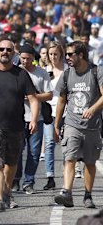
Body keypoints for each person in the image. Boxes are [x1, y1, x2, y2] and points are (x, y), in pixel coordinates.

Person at [0, 39, 40, 212]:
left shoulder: (21, 74)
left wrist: (33, 120)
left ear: (14, 53)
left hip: (16, 126)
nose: (5, 52)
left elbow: (33, 100)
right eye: (1, 49)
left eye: (8, 50)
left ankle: (6, 191)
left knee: (11, 163)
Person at [54, 41, 103, 208]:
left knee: (90, 162)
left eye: (69, 54)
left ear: (80, 55)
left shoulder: (96, 71)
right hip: (72, 124)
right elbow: (61, 100)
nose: (66, 57)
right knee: (70, 158)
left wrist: (93, 108)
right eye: (66, 54)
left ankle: (87, 195)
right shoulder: (67, 75)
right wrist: (56, 123)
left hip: (92, 126)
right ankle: (67, 192)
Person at [13, 44, 53, 194]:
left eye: (28, 59)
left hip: (38, 117)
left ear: (33, 59)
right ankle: (15, 179)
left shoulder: (41, 73)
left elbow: (49, 94)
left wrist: (32, 97)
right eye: (22, 58)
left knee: (34, 152)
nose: (24, 61)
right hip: (18, 117)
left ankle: (29, 181)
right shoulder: (15, 73)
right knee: (17, 150)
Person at [43, 41, 67, 190]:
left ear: (61, 54)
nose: (53, 57)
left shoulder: (67, 70)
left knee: (66, 144)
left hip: (65, 110)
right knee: (49, 143)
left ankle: (67, 175)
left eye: (56, 54)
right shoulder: (44, 71)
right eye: (50, 54)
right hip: (48, 111)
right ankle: (50, 177)